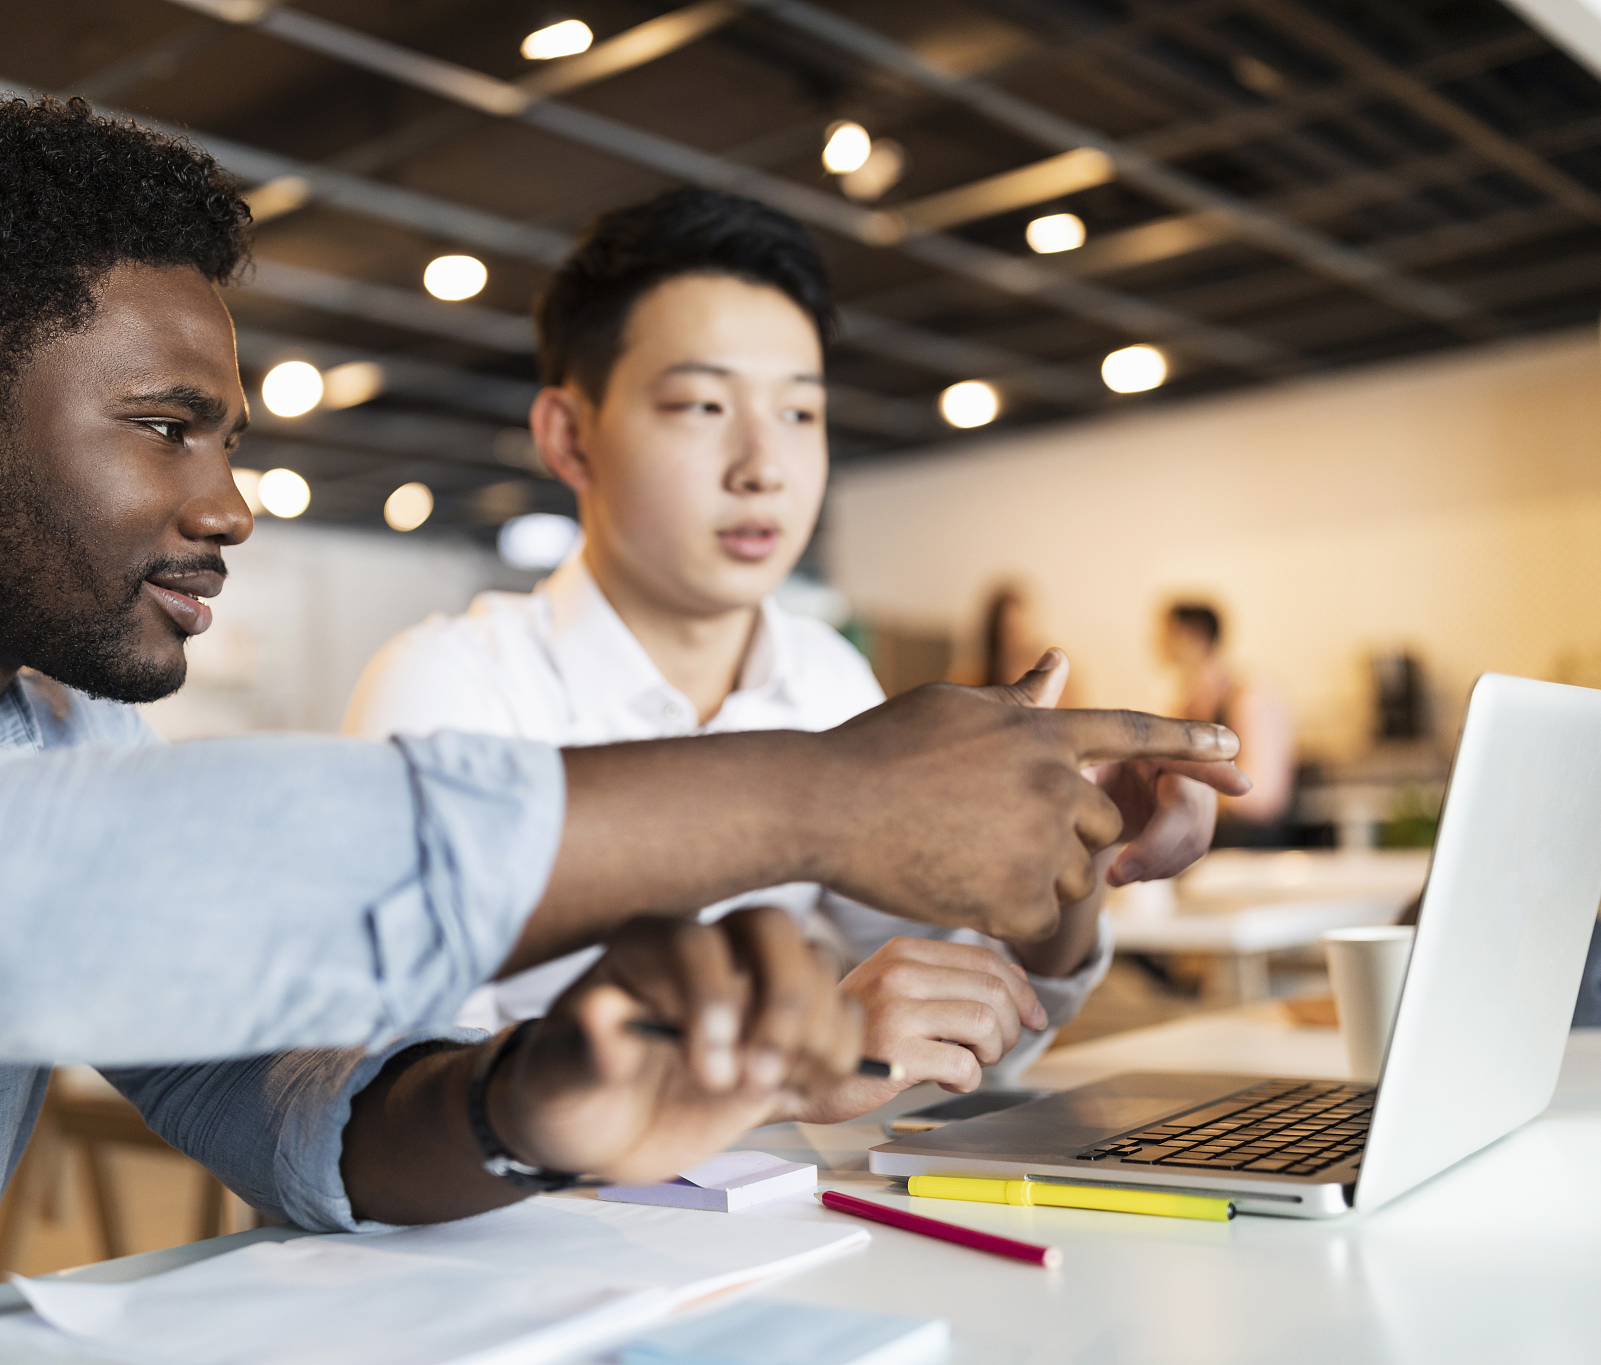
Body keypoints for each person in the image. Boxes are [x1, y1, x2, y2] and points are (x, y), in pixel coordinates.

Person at [0, 101, 1244, 1363]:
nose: (227, 507)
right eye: (166, 429)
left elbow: (287, 1096)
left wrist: (535, 1100)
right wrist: (812, 796)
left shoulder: (60, 740)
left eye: (226, 441)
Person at [346, 188, 1241, 1120]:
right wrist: (794, 1059)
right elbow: (389, 1099)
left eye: (801, 413)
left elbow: (967, 1025)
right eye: (701, 404)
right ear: (569, 436)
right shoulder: (452, 684)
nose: (763, 465)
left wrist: (1083, 850)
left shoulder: (824, 681)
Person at [1161, 601, 1297, 844]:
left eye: (1167, 633)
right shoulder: (1189, 703)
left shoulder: (1250, 697)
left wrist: (1187, 794)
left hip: (1248, 843)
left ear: (1194, 636)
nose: (1158, 642)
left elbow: (1260, 795)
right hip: (1213, 836)